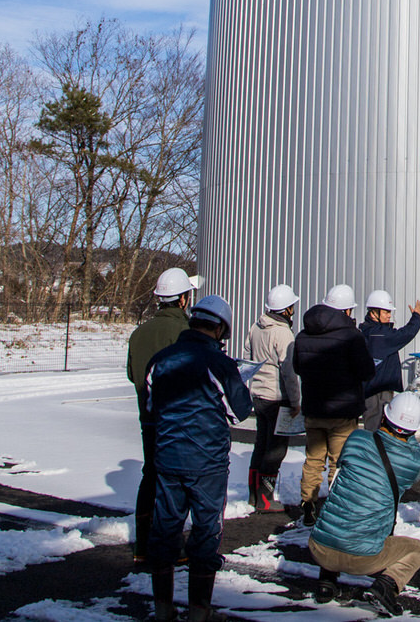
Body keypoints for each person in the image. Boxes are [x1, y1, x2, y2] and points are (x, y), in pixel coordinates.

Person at [143, 294, 253, 622]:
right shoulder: (219, 364)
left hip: (168, 459)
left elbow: (152, 407)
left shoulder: (160, 360)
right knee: (206, 533)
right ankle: (198, 613)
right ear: (221, 328)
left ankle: (162, 609)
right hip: (207, 463)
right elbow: (239, 413)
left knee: (165, 530)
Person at [307, 391, 420, 617]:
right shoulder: (413, 463)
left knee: (343, 506)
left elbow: (344, 462)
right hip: (363, 559)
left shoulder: (357, 438)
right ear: (414, 430)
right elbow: (418, 464)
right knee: (417, 550)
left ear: (384, 417)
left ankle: (327, 581)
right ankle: (386, 586)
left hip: (319, 547)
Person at [126, 266, 202, 565]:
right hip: (178, 420)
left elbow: (134, 374)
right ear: (184, 299)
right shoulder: (185, 333)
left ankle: (143, 545)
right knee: (175, 482)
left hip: (148, 417)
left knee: (151, 476)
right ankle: (172, 546)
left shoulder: (138, 333)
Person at [292, 283, 376, 527]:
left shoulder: (303, 335)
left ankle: (308, 505)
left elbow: (298, 367)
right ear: (347, 311)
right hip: (342, 411)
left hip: (314, 408)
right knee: (339, 461)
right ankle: (334, 508)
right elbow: (366, 371)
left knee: (313, 459)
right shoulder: (352, 337)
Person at [246, 282, 301, 513]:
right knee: (276, 449)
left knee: (261, 444)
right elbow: (289, 371)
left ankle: (253, 494)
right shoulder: (283, 333)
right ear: (286, 309)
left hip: (259, 395)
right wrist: (297, 400)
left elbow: (248, 359)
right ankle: (265, 499)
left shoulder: (256, 328)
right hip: (277, 398)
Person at [359, 289, 420, 430]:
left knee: (376, 426)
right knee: (377, 428)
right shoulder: (379, 335)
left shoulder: (366, 331)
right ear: (373, 313)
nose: (390, 315)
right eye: (386, 312)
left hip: (372, 389)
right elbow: (405, 333)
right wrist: (416, 317)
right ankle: (376, 451)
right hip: (377, 392)